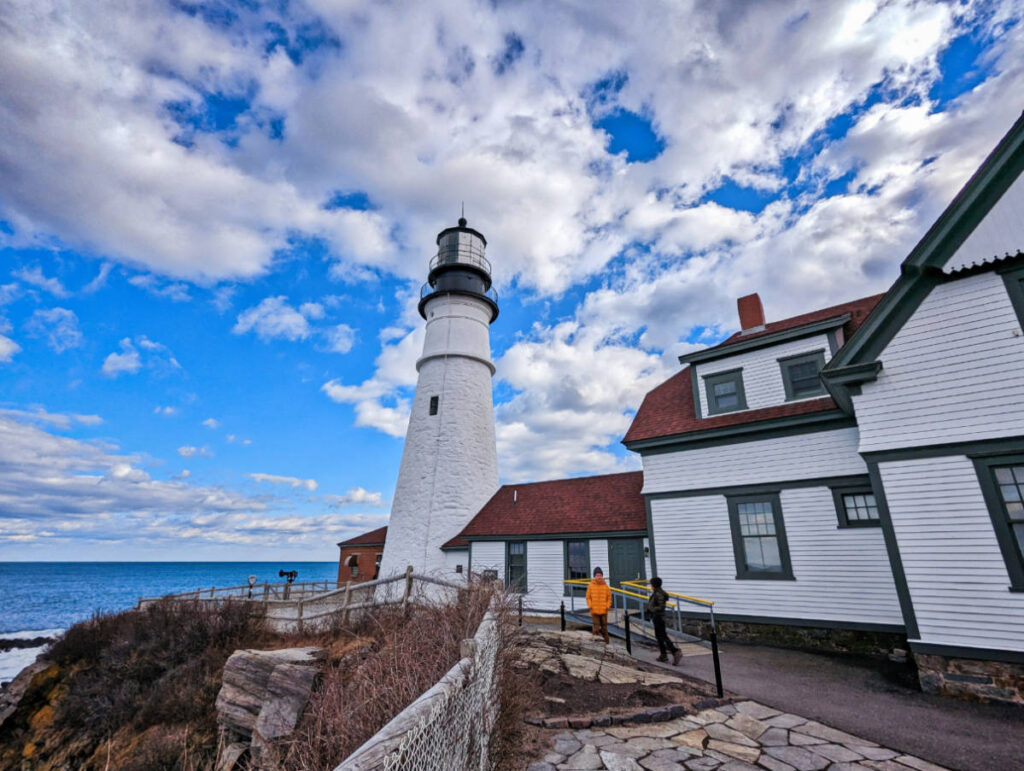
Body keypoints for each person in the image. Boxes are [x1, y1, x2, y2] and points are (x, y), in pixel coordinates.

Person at [648, 576, 682, 665]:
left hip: (659, 617)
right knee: (659, 636)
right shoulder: (657, 593)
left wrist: (652, 609)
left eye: (651, 584)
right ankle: (663, 655)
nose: (650, 586)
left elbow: (661, 606)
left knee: (662, 636)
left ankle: (675, 651)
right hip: (657, 616)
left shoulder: (659, 594)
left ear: (654, 585)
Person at [585, 566, 611, 644]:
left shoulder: (606, 587)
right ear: (594, 576)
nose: (599, 577)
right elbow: (588, 597)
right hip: (594, 611)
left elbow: (609, 598)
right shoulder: (590, 586)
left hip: (604, 611)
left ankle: (607, 644)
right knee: (595, 629)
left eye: (600, 575)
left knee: (604, 630)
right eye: (597, 575)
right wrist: (590, 606)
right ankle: (595, 644)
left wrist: (607, 606)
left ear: (602, 576)